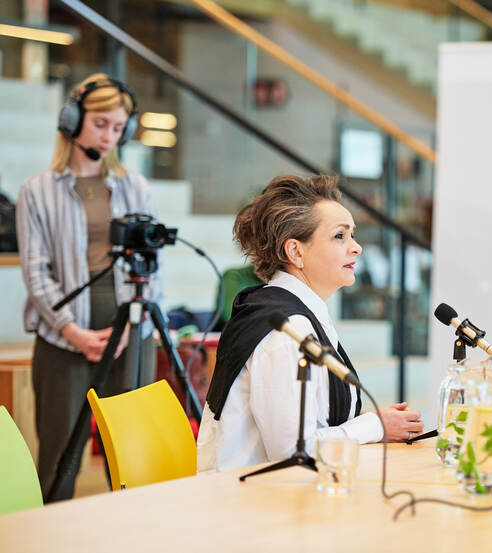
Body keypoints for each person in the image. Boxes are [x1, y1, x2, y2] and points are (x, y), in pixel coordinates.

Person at [197, 174, 423, 472]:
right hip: (254, 504)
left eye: (352, 235)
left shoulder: (300, 313)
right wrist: (374, 426)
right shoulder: (285, 333)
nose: (357, 248)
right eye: (340, 236)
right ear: (296, 251)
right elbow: (291, 452)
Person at [17, 73, 159, 501]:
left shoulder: (135, 186)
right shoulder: (37, 191)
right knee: (60, 460)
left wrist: (134, 326)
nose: (110, 136)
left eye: (119, 128)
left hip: (131, 336)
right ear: (72, 120)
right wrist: (70, 330)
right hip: (64, 341)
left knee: (133, 458)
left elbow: (154, 265)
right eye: (101, 124)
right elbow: (36, 271)